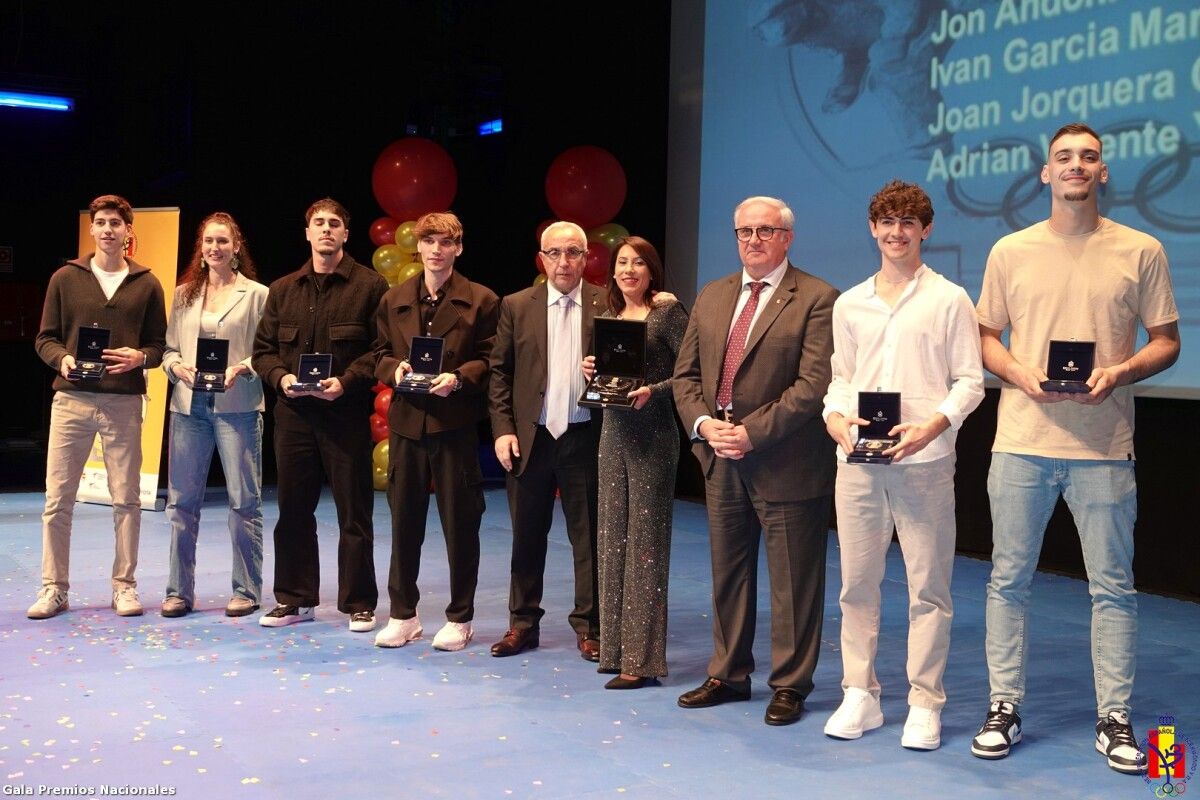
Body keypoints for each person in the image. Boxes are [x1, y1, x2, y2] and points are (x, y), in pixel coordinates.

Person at [973, 122, 1180, 773]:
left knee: (1113, 589)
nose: (1076, 166)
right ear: (1045, 172)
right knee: (1008, 581)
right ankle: (1004, 706)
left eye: (1088, 157)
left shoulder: (1140, 249)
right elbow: (985, 336)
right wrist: (1015, 371)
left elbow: (1167, 339)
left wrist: (1119, 372)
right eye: (1064, 157)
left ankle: (1114, 717)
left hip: (1105, 447)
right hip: (1021, 445)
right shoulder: (1010, 250)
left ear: (1103, 171)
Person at [821, 180, 983, 749]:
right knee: (856, 586)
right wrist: (836, 420)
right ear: (873, 228)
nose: (896, 233)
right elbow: (842, 379)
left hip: (927, 463)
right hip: (858, 464)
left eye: (908, 223)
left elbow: (970, 381)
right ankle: (859, 694)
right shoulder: (850, 303)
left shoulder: (950, 299)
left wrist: (933, 425)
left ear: (925, 230)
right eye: (887, 222)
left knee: (929, 588)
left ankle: (924, 702)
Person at [673, 195, 838, 726]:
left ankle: (790, 684)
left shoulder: (816, 298)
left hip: (785, 459)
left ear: (787, 237)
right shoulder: (713, 294)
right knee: (729, 575)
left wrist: (751, 433)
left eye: (765, 231)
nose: (753, 241)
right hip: (720, 457)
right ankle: (728, 674)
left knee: (794, 582)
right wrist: (704, 426)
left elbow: (813, 386)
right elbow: (686, 377)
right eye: (744, 231)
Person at [252, 198, 387, 632]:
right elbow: (263, 352)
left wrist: (346, 382)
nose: (326, 230)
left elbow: (380, 351)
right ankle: (294, 599)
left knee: (354, 512)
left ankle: (360, 602)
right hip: (293, 416)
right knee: (292, 509)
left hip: (344, 414)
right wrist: (280, 378)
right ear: (307, 233)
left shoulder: (370, 286)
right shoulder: (282, 289)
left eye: (334, 224)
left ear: (346, 234)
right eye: (318, 223)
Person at [29, 194, 167, 619]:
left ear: (129, 232)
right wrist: (62, 359)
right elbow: (44, 338)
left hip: (123, 401)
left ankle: (124, 586)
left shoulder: (147, 283)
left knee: (126, 498)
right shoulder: (64, 278)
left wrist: (140, 358)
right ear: (92, 229)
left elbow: (159, 346)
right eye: (101, 222)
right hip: (71, 399)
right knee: (58, 499)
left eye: (116, 223)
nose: (108, 229)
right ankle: (54, 588)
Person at [372, 211, 499, 651]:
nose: (436, 250)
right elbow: (379, 352)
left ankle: (460, 617)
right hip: (407, 423)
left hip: (455, 424)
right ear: (419, 247)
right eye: (429, 242)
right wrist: (395, 367)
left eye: (445, 242)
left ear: (458, 248)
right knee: (404, 520)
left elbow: (490, 359)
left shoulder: (482, 300)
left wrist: (459, 377)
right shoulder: (394, 299)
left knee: (461, 523)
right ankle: (402, 614)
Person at [488, 221, 606, 661]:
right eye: (554, 253)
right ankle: (522, 623)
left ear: (586, 256)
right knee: (526, 537)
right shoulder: (517, 305)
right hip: (530, 439)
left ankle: (590, 627)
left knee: (590, 539)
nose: (563, 261)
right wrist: (502, 430)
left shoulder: (606, 302)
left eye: (573, 252)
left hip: (585, 436)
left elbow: (630, 363)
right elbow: (499, 372)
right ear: (542, 258)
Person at [582, 237, 689, 689]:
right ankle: (612, 650)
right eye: (622, 262)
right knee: (610, 540)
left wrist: (654, 390)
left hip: (655, 435)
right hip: (613, 434)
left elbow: (689, 372)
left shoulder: (667, 313)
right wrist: (592, 370)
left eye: (638, 263)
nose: (629, 270)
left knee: (645, 546)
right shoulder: (606, 318)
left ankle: (640, 662)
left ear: (652, 271)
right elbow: (608, 374)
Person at [160, 212, 269, 618]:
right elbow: (169, 350)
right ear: (200, 247)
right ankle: (178, 592)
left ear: (236, 246)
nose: (214, 247)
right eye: (208, 241)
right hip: (189, 406)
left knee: (244, 501)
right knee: (181, 504)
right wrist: (177, 368)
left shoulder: (258, 294)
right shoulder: (184, 293)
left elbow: (268, 351)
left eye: (223, 240)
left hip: (237, 404)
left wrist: (241, 366)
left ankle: (246, 589)